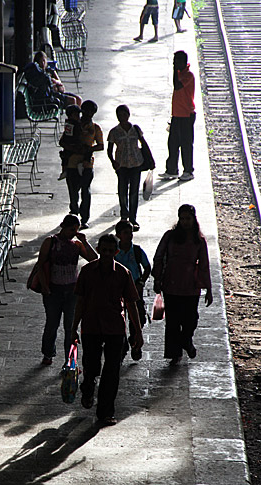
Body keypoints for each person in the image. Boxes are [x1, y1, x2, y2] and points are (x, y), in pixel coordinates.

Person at [71, 234, 143, 425]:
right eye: (104, 250)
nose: (107, 254)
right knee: (91, 366)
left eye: (111, 251)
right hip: (91, 326)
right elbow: (80, 301)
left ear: (116, 252)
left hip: (115, 329)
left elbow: (131, 304)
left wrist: (138, 332)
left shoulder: (123, 273)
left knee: (112, 372)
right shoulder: (87, 271)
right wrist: (73, 328)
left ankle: (105, 412)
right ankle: (87, 388)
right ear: (99, 250)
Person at [152, 204, 212, 365]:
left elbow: (205, 265)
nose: (185, 222)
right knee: (172, 321)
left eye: (188, 218)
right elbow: (158, 257)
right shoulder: (170, 236)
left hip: (191, 286)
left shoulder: (199, 240)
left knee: (191, 319)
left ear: (194, 219)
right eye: (182, 219)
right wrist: (157, 278)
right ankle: (174, 352)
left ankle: (186, 341)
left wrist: (209, 289)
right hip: (171, 285)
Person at [37, 214, 97, 367]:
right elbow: (40, 265)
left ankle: (69, 359)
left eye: (76, 230)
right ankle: (48, 353)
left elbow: (93, 259)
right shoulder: (50, 242)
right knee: (52, 324)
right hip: (53, 291)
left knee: (71, 327)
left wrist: (84, 241)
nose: (73, 233)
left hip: (72, 291)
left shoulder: (76, 245)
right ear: (63, 226)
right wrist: (44, 286)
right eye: (72, 230)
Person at [59, 100, 104, 229]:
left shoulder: (95, 128)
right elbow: (63, 141)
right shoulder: (72, 125)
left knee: (86, 190)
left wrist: (88, 149)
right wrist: (74, 149)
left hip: (87, 164)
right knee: (73, 191)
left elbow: (101, 146)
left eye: (92, 112)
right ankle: (74, 212)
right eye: (86, 111)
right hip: (72, 162)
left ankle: (84, 218)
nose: (88, 114)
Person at [107, 104, 150, 231]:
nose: (122, 117)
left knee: (134, 192)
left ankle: (133, 218)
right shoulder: (114, 132)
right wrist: (113, 162)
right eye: (119, 115)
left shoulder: (135, 129)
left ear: (128, 115)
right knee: (122, 191)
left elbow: (143, 143)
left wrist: (149, 158)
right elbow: (110, 149)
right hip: (122, 165)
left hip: (136, 164)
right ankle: (124, 215)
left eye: (124, 114)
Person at [115, 220, 151, 361]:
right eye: (125, 233)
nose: (129, 236)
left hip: (135, 287)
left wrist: (141, 282)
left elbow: (147, 267)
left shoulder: (136, 250)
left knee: (138, 316)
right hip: (118, 288)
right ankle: (122, 347)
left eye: (130, 233)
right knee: (119, 318)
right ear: (119, 235)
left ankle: (135, 340)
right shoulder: (114, 251)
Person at [159, 50, 196, 181]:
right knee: (173, 143)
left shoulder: (188, 75)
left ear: (183, 62)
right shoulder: (181, 73)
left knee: (186, 144)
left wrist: (175, 70)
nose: (174, 64)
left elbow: (177, 86)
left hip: (186, 114)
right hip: (177, 114)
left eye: (176, 62)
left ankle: (188, 170)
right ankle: (172, 170)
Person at [58, 104, 83, 181]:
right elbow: (68, 136)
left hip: (73, 144)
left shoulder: (70, 124)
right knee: (66, 157)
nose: (78, 117)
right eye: (76, 115)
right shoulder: (72, 124)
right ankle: (65, 170)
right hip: (72, 144)